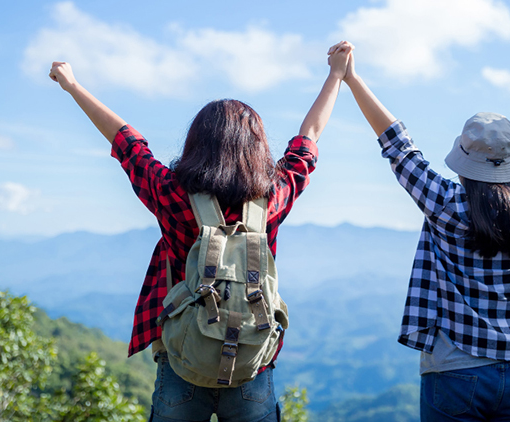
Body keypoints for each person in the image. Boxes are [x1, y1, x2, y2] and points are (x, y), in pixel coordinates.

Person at [48, 44, 352, 422]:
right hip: (251, 363)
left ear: (195, 143)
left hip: (183, 362)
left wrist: (73, 86)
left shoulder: (171, 193)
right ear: (257, 147)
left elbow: (126, 142)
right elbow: (309, 139)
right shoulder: (272, 197)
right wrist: (336, 75)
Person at [330, 41, 510, 422]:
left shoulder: (446, 205)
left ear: (463, 162)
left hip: (454, 371)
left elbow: (398, 146)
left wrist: (351, 78)